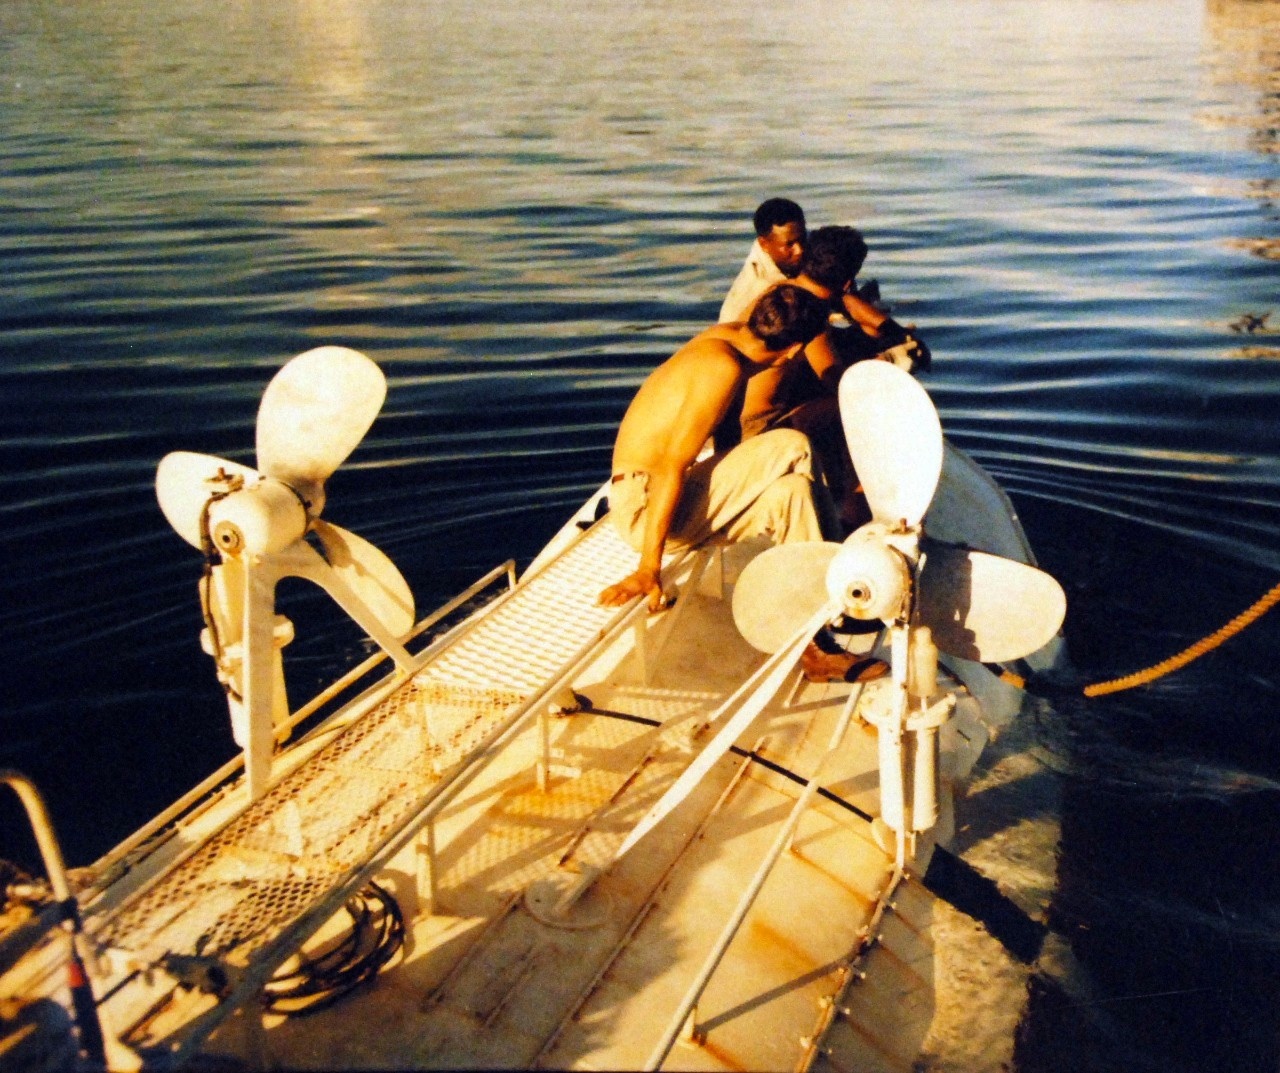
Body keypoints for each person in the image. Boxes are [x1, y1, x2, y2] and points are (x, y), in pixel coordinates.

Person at [598, 285, 836, 614]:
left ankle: (815, 626)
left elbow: (727, 435)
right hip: (643, 508)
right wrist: (648, 569)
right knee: (794, 444)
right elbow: (671, 466)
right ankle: (842, 578)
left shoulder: (729, 338)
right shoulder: (723, 367)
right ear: (795, 351)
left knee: (790, 493)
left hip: (642, 495)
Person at [725, 225, 932, 532]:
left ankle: (840, 485)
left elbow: (851, 306)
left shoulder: (784, 292)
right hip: (757, 430)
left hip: (738, 420)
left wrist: (893, 331)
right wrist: (888, 362)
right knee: (859, 408)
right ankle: (854, 512)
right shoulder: (806, 314)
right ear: (848, 281)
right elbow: (841, 386)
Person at [718, 198, 807, 324]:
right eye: (789, 245)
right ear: (764, 244)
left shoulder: (795, 259)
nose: (800, 250)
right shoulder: (757, 291)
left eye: (802, 239)